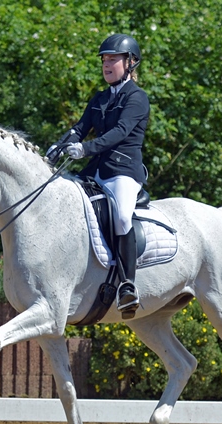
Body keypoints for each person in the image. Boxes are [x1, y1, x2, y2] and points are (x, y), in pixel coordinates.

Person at [47, 33, 150, 319]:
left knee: (121, 217)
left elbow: (119, 134)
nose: (107, 64)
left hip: (123, 172)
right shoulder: (100, 98)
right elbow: (80, 127)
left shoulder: (137, 98)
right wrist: (59, 145)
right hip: (96, 172)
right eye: (104, 60)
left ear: (130, 63)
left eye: (113, 59)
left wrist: (84, 149)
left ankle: (128, 285)